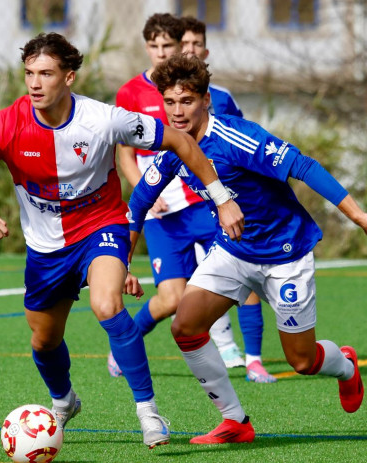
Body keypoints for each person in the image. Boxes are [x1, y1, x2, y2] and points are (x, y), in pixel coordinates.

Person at [0, 33, 244, 448]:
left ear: (69, 76)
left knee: (107, 305)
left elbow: (180, 141)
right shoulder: (5, 125)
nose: (35, 83)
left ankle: (148, 411)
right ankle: (64, 400)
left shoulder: (104, 119)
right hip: (45, 248)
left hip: (102, 227)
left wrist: (221, 199)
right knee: (44, 340)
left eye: (46, 74)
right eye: (29, 74)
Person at [128, 54, 367, 444]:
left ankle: (345, 365)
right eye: (169, 102)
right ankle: (235, 421)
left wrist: (358, 217)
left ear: (206, 100)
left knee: (302, 361)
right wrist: (123, 263)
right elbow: (138, 204)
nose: (176, 111)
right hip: (234, 252)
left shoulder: (237, 137)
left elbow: (304, 167)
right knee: (185, 327)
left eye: (186, 101)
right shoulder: (174, 149)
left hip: (285, 254)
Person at [111, 12, 245, 376]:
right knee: (171, 298)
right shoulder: (131, 92)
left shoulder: (200, 95)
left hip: (202, 202)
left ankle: (243, 352)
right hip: (161, 210)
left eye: (168, 45)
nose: (160, 53)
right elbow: (124, 153)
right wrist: (146, 191)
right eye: (153, 46)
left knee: (235, 271)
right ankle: (125, 346)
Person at [181, 15, 276, 383]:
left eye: (195, 44)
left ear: (205, 52)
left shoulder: (223, 100)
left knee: (244, 275)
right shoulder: (167, 99)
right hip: (180, 209)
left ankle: (252, 358)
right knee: (179, 295)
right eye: (183, 44)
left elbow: (241, 145)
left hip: (225, 204)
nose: (189, 50)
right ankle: (126, 344)